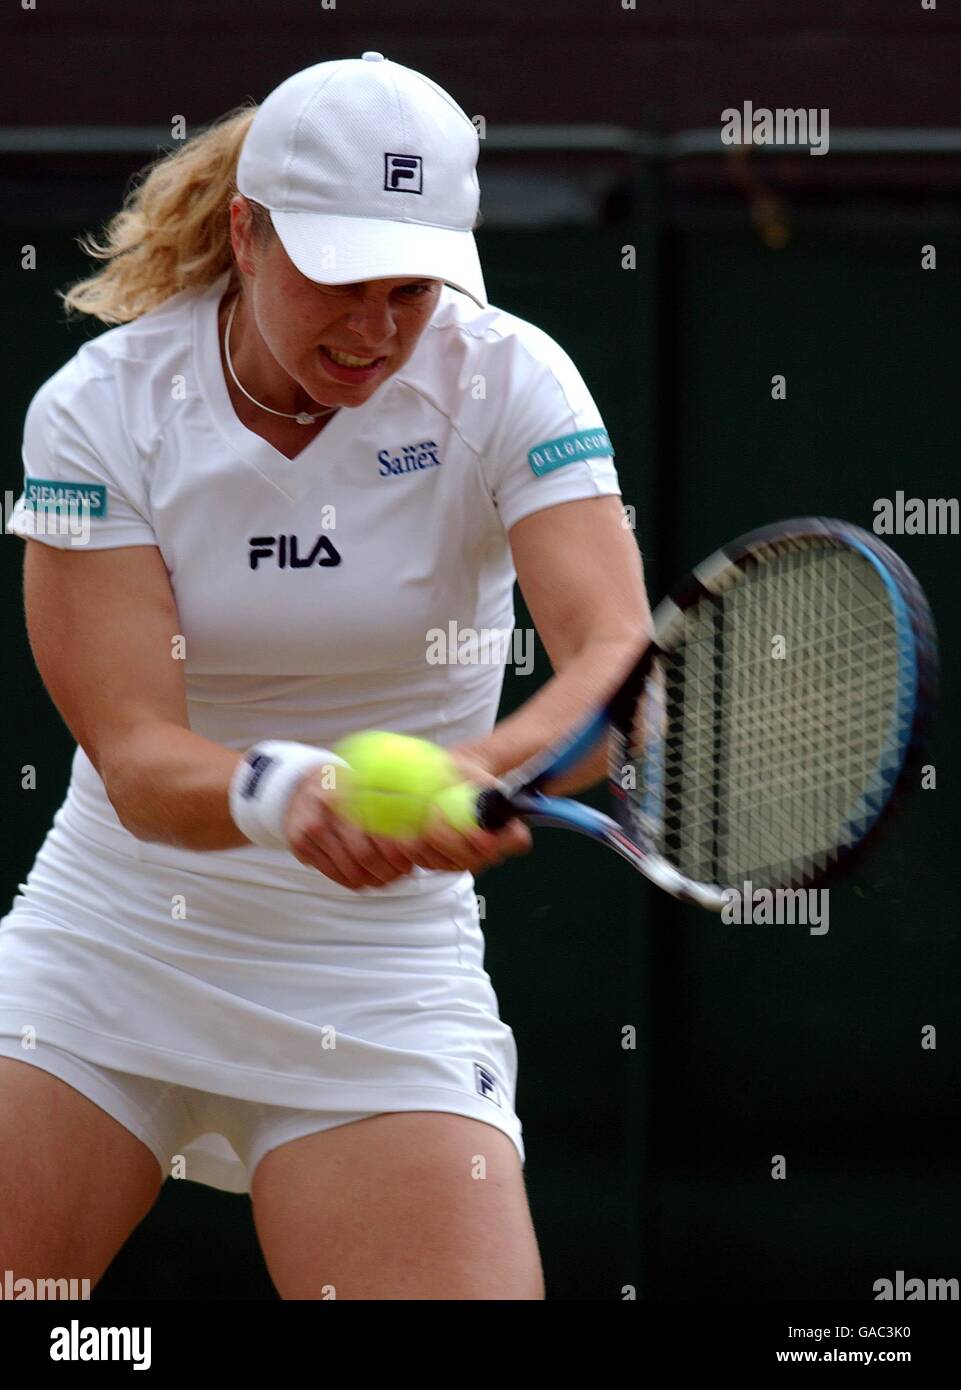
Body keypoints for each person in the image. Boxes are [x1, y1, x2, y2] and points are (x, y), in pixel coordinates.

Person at [0, 53, 650, 1299]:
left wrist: (476, 771)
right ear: (247, 235)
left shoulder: (510, 378)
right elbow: (136, 758)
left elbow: (615, 662)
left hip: (381, 981)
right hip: (109, 949)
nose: (374, 330)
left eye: (410, 290)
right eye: (341, 279)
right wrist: (292, 791)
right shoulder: (102, 408)